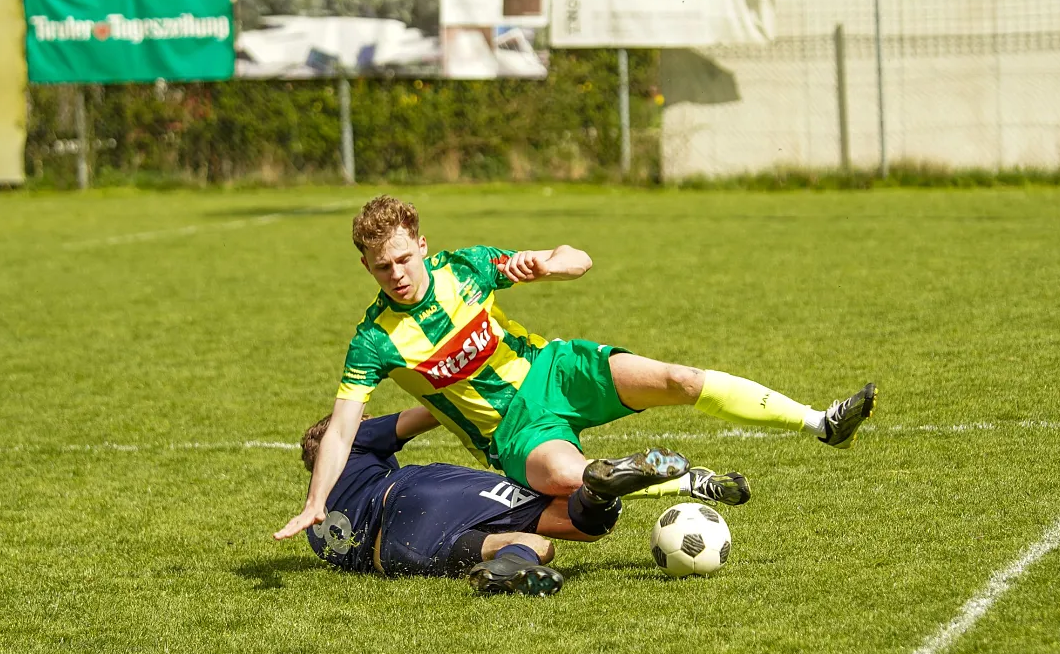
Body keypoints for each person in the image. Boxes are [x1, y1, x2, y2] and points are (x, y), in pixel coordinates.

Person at [274, 195, 874, 544]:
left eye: (404, 257)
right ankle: (680, 478)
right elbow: (345, 426)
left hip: (554, 368)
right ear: (367, 268)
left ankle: (822, 422)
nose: (398, 273)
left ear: (422, 246)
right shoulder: (373, 341)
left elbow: (578, 258)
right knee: (571, 476)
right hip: (511, 431)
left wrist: (553, 264)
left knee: (679, 380)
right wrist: (315, 499)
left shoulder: (469, 267)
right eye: (383, 268)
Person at [295, 407, 729, 596]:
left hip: (398, 557)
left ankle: (508, 568)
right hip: (418, 495)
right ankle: (596, 488)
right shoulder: (348, 439)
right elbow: (427, 413)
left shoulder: (317, 528)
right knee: (565, 513)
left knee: (538, 547)